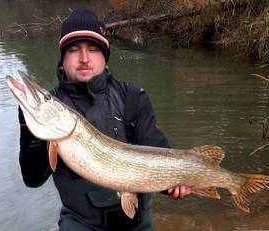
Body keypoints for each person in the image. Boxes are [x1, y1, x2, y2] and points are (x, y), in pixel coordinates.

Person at [18, 7, 191, 231]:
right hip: (80, 222)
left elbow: (156, 148)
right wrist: (28, 130)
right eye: (73, 50)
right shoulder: (54, 105)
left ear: (105, 58)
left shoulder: (132, 97)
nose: (84, 58)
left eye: (93, 49)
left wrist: (172, 184)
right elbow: (33, 179)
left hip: (137, 222)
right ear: (62, 59)